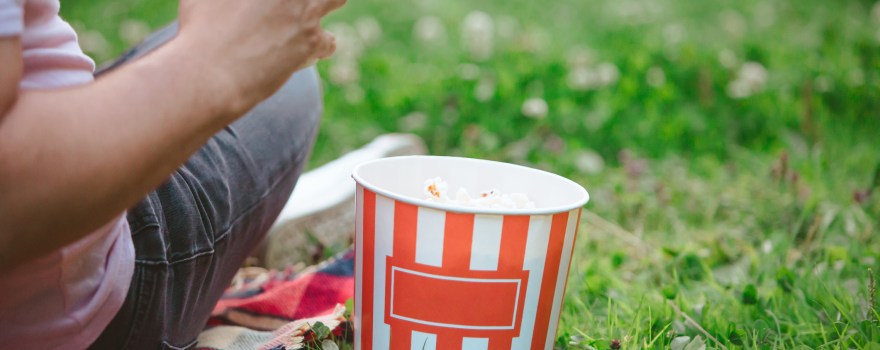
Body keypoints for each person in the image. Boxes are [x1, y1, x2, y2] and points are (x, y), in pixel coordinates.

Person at [0, 0, 346, 347]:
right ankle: (254, 226)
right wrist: (221, 63)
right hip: (88, 296)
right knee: (291, 78)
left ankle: (257, 224)